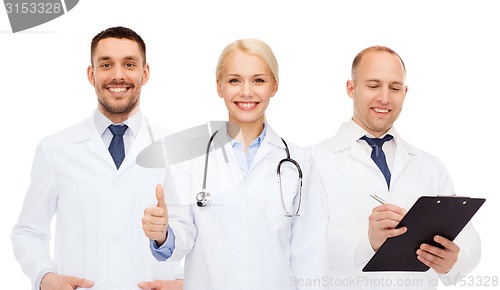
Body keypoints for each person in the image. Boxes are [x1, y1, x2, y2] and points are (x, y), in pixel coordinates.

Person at [141, 38, 329, 289]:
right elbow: (181, 237)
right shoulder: (189, 160)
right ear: (219, 87)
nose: (246, 92)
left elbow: (310, 257)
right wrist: (163, 234)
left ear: (274, 86)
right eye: (234, 80)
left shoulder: (300, 164)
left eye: (258, 80)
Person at [10, 26, 183, 290]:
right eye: (106, 64)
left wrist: (183, 281)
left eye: (129, 64)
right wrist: (45, 278)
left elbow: (197, 236)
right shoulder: (55, 149)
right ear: (91, 74)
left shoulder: (175, 150)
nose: (117, 75)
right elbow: (29, 231)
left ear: (144, 73)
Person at [311, 45, 481, 289]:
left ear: (405, 91)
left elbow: (469, 237)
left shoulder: (430, 165)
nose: (384, 98)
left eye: (394, 88)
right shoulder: (312, 161)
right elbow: (300, 245)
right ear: (351, 88)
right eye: (373, 85)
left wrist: (455, 259)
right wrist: (366, 240)